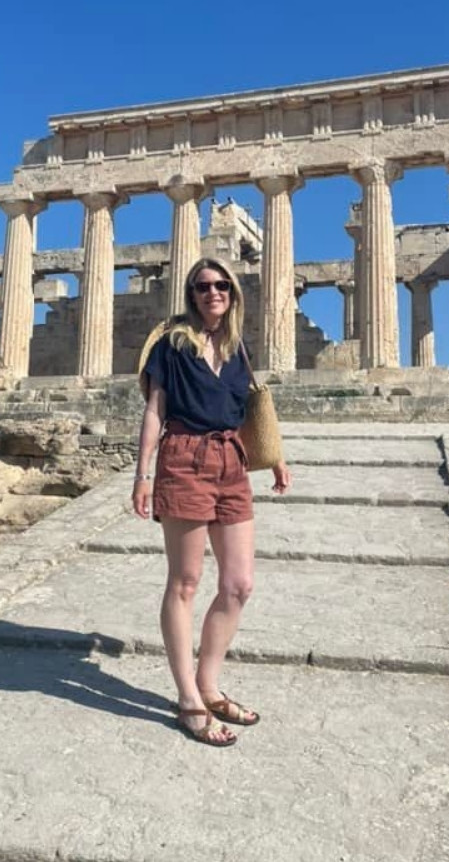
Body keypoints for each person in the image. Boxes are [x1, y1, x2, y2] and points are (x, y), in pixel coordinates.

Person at [132, 257, 291, 746]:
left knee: (240, 584)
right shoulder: (171, 344)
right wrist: (143, 472)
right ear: (191, 294)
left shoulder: (236, 346)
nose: (213, 292)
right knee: (184, 582)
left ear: (233, 293)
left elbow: (247, 409)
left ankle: (210, 683)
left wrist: (276, 457)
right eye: (203, 286)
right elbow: (156, 409)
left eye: (222, 285)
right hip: (183, 458)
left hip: (231, 462)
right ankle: (188, 698)